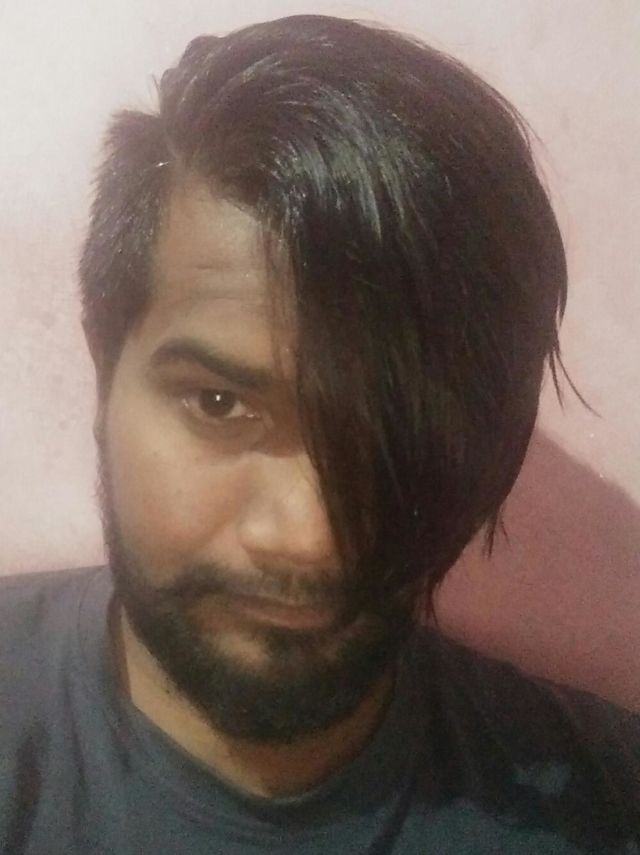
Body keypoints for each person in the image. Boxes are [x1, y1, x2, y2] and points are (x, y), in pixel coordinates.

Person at [0, 14, 638, 854]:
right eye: (219, 402)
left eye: (391, 427)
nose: (308, 536)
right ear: (103, 367)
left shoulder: (605, 804)